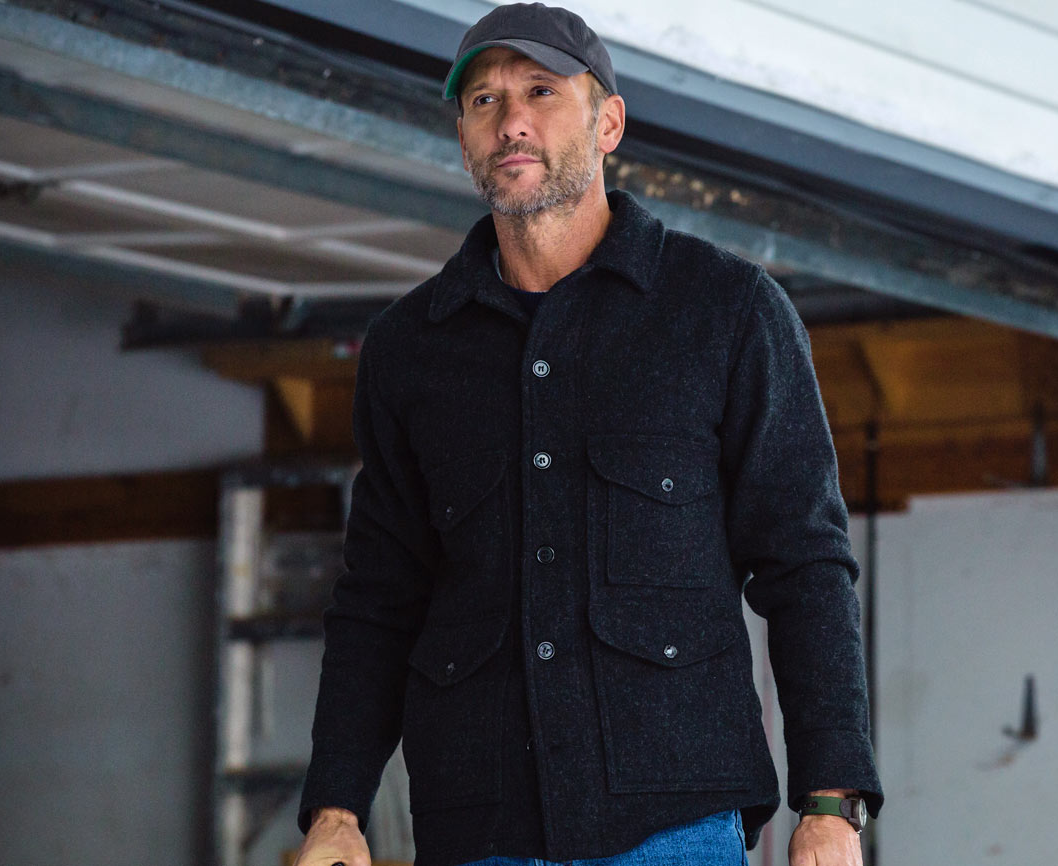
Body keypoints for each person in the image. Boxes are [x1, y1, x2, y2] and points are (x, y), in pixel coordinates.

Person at [293, 4, 881, 865]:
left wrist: (831, 799)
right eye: (484, 101)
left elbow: (805, 563)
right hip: (478, 831)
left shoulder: (725, 311)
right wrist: (337, 805)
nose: (511, 120)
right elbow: (379, 596)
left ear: (609, 124)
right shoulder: (409, 349)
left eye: (540, 91)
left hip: (674, 830)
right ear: (464, 138)